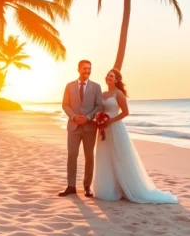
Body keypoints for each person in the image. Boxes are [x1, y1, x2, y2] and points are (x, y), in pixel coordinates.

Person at [91, 69, 178, 204]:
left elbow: (126, 112)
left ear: (117, 80)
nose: (108, 77)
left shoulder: (118, 94)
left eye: (111, 76)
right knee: (105, 156)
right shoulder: (103, 94)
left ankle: (128, 187)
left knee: (120, 156)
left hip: (115, 127)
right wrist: (100, 119)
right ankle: (108, 188)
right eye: (107, 75)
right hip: (104, 129)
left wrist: (111, 121)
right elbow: (100, 109)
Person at [59, 60, 104, 198]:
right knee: (72, 155)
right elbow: (65, 105)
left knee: (89, 157)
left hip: (89, 127)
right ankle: (71, 186)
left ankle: (87, 187)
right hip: (73, 127)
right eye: (84, 68)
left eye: (89, 69)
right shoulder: (69, 86)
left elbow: (99, 106)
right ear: (78, 69)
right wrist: (73, 117)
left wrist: (89, 117)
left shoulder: (96, 87)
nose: (87, 71)